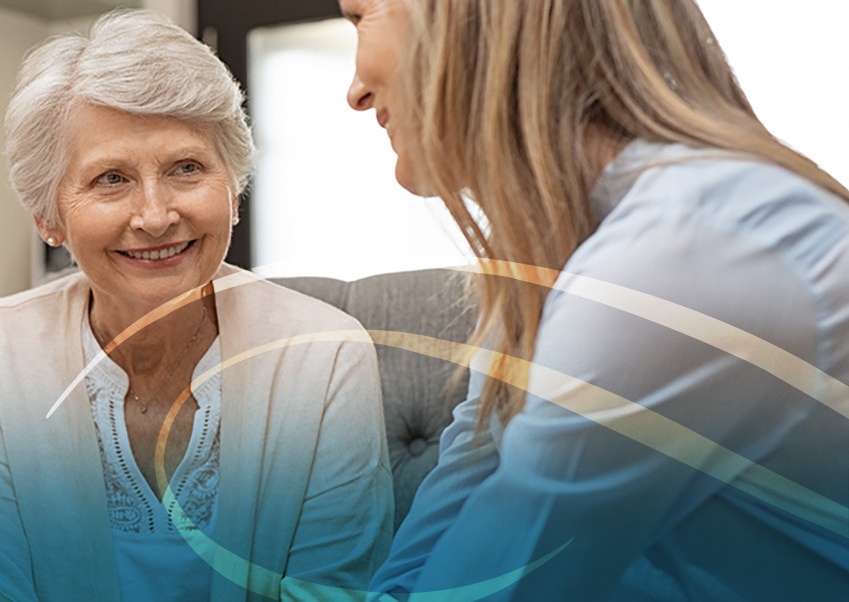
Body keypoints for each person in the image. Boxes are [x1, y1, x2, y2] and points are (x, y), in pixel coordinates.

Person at [341, 0, 849, 598]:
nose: (353, 92)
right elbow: (447, 518)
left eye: (361, 15)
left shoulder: (680, 253)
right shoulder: (559, 259)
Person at [0, 10, 394, 602]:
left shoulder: (326, 354)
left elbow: (330, 591)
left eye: (187, 168)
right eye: (111, 179)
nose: (155, 215)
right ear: (48, 216)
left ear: (234, 189)